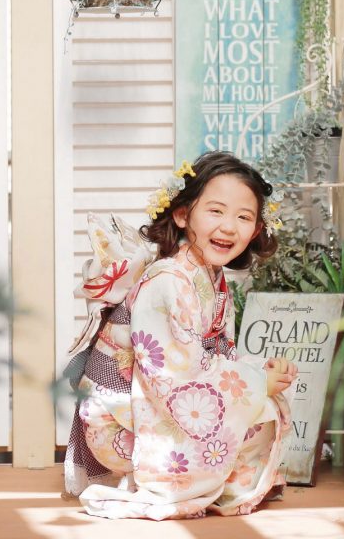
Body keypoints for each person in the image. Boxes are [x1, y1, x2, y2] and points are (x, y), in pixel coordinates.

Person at [63, 150, 296, 520]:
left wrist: (257, 375)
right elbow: (173, 375)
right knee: (258, 406)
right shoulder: (168, 280)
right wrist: (253, 384)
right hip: (121, 422)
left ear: (255, 230)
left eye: (244, 217)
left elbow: (211, 359)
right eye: (216, 211)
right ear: (183, 214)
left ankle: (220, 482)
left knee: (264, 405)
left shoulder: (211, 279)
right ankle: (191, 482)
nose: (229, 227)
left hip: (152, 403)